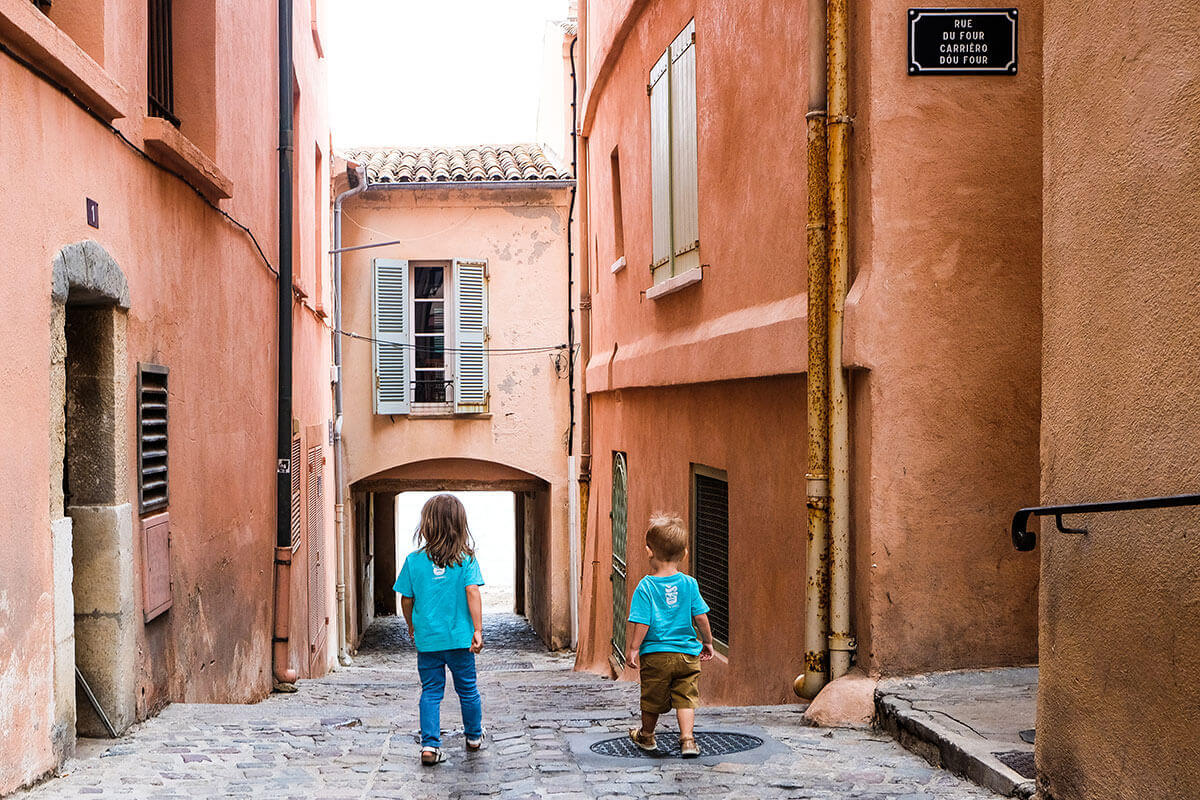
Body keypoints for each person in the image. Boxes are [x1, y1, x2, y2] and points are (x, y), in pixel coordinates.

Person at [394, 494, 486, 766]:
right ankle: (473, 736)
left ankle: (430, 746)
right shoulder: (466, 560)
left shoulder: (414, 561)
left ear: (426, 525)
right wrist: (478, 630)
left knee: (431, 691)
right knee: (468, 689)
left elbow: (406, 599)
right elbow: (472, 592)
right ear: (460, 524)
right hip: (460, 640)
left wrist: (411, 626)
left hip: (429, 641)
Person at [625, 514, 715, 758]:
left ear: (648, 551)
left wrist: (634, 648)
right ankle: (687, 740)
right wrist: (706, 641)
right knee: (686, 698)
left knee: (652, 698)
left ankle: (647, 735)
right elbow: (701, 617)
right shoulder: (689, 584)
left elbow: (643, 621)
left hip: (656, 655)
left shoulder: (646, 586)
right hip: (687, 654)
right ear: (684, 554)